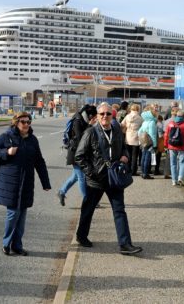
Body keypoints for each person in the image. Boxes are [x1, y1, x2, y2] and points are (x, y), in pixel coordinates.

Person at [75, 102, 142, 255]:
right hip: (96, 180)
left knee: (120, 211)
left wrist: (125, 155)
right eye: (102, 114)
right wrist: (91, 173)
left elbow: (123, 146)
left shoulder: (117, 130)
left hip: (114, 178)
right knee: (88, 210)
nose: (105, 116)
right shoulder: (90, 132)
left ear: (113, 116)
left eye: (108, 114)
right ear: (97, 116)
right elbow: (79, 157)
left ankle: (125, 244)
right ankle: (81, 235)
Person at [0, 112, 51, 256]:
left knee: (22, 217)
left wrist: (45, 182)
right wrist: (6, 152)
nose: (27, 125)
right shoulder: (6, 136)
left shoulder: (32, 140)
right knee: (13, 214)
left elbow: (39, 161)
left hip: (27, 182)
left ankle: (17, 245)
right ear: (16, 123)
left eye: (29, 122)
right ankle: (6, 244)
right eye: (23, 122)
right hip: (11, 182)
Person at [58, 104, 98, 206]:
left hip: (80, 153)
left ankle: (62, 191)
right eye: (93, 116)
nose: (94, 118)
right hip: (76, 154)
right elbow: (81, 138)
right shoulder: (78, 120)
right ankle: (87, 200)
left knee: (75, 177)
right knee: (81, 177)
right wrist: (90, 125)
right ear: (89, 115)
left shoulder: (82, 118)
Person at [165, 110, 184, 186]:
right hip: (182, 146)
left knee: (173, 163)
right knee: (182, 162)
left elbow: (166, 135)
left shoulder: (170, 123)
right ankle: (180, 177)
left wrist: (166, 145)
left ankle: (174, 180)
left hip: (172, 146)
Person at [121, 104, 143, 176]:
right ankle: (133, 171)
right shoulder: (140, 118)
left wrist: (126, 128)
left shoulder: (127, 116)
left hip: (128, 137)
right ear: (138, 109)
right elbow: (142, 127)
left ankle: (127, 170)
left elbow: (122, 124)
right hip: (136, 138)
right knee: (135, 156)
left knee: (128, 155)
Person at [138, 107, 157, 179]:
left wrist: (141, 141)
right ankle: (146, 174)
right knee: (147, 158)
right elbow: (153, 135)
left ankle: (143, 172)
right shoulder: (152, 122)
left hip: (144, 142)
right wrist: (155, 144)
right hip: (149, 142)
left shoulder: (144, 122)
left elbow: (139, 132)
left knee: (143, 157)